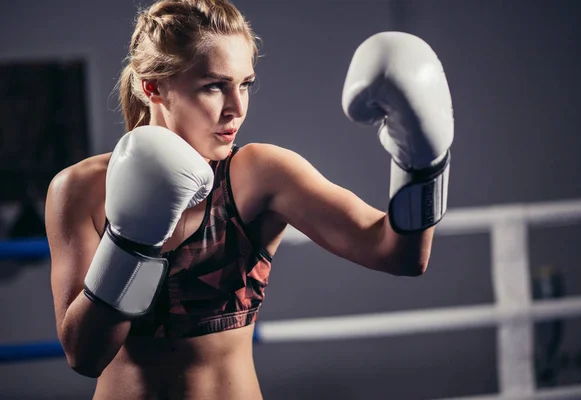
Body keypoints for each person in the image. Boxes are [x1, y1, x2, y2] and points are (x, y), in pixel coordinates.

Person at [45, 0, 453, 398]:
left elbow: (398, 255)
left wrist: (422, 164)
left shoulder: (260, 175)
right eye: (214, 86)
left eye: (244, 84)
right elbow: (84, 355)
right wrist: (132, 240)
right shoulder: (80, 189)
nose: (236, 108)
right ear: (154, 86)